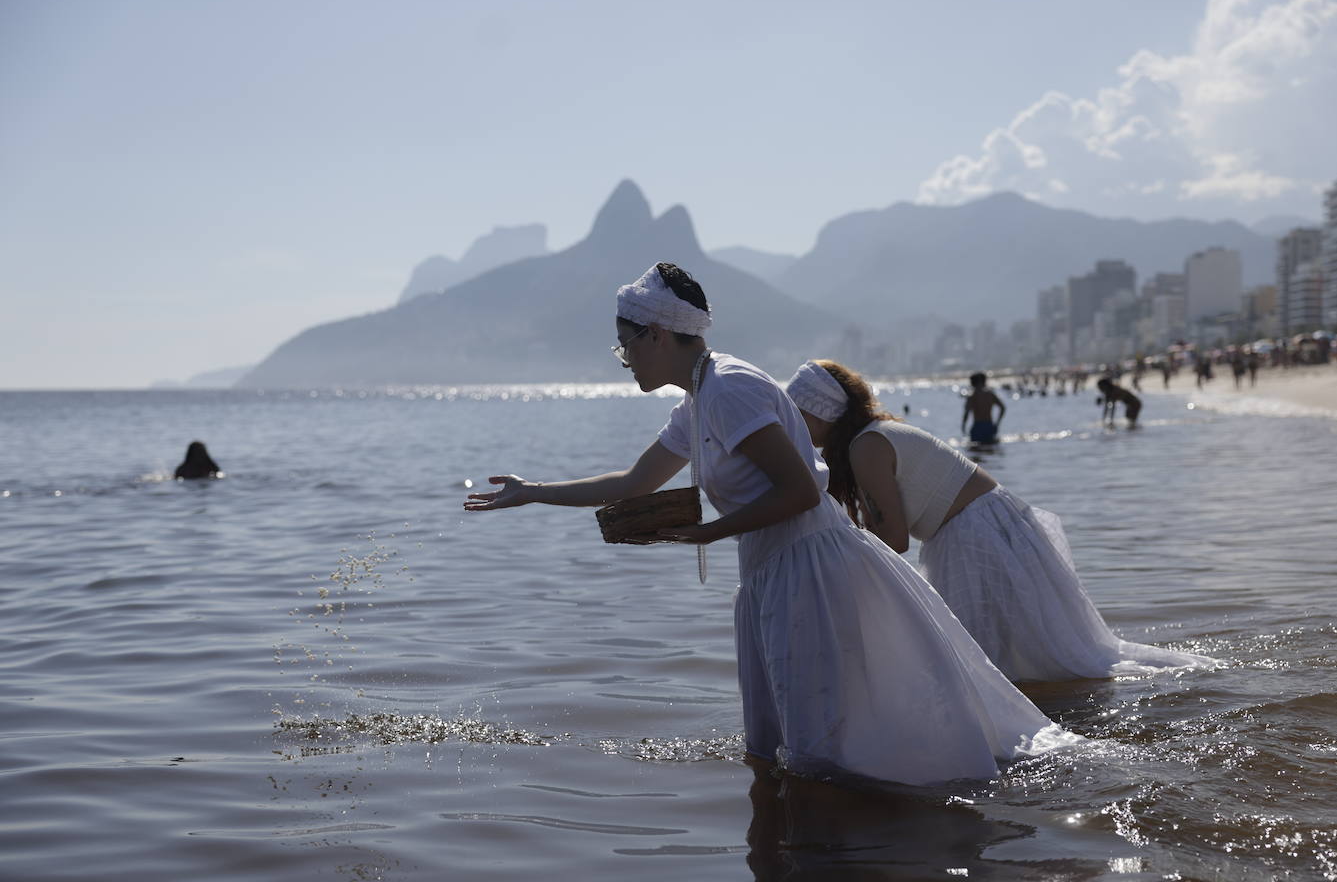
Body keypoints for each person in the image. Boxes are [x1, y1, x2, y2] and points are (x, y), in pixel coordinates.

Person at [465, 262, 1072, 787]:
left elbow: (804, 490)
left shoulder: (729, 389)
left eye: (624, 346)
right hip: (771, 569)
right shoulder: (698, 399)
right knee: (793, 741)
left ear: (654, 334)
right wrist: (532, 493)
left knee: (825, 739)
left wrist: (709, 532)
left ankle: (841, 856)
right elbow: (634, 484)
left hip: (810, 568)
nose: (623, 360)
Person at [785, 360, 1217, 683]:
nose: (795, 425)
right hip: (984, 523)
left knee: (985, 664)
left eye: (798, 415)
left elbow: (894, 538)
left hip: (973, 535)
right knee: (1018, 660)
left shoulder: (866, 446)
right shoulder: (874, 434)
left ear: (820, 411)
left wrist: (837, 568)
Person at [961, 372, 1004, 444]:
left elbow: (967, 413)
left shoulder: (972, 396)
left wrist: (963, 426)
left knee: (975, 451)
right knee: (990, 450)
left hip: (977, 427)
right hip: (989, 426)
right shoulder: (990, 394)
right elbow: (1003, 408)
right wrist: (997, 423)